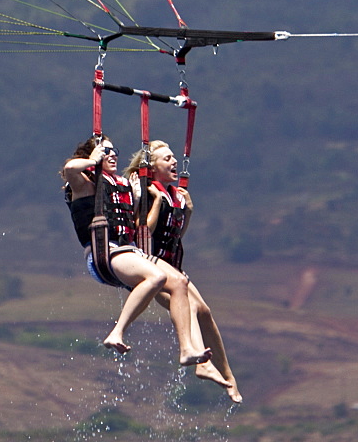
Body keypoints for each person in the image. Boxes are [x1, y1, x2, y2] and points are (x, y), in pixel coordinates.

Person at [62, 135, 213, 365]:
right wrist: (93, 158)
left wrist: (139, 197)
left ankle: (187, 350)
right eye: (106, 151)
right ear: (94, 156)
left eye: (114, 151)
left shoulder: (119, 186)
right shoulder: (85, 185)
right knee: (157, 277)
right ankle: (117, 332)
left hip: (129, 251)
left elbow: (134, 226)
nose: (112, 154)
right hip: (104, 254)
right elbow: (70, 168)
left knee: (178, 282)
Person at [126, 140, 242, 404]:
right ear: (152, 167)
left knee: (205, 311)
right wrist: (155, 202)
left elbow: (175, 236)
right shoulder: (147, 192)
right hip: (151, 266)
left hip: (173, 265)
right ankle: (200, 360)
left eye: (174, 157)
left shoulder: (175, 195)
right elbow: (144, 231)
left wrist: (187, 212)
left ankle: (228, 374)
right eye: (167, 159)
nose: (174, 161)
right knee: (187, 305)